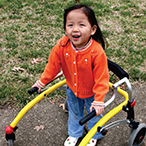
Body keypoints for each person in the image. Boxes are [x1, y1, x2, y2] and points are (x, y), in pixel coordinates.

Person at [32, 4, 109, 146]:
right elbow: (52, 66)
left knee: (93, 115)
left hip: (92, 92)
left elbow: (102, 78)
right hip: (72, 88)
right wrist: (42, 82)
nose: (75, 29)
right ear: (65, 28)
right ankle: (74, 134)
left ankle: (95, 134)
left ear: (93, 29)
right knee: (74, 113)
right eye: (70, 25)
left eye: (81, 25)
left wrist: (98, 100)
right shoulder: (62, 46)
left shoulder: (96, 52)